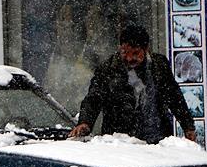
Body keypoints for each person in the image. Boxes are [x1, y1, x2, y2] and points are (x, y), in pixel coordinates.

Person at [68, 24, 197, 144]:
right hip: (120, 142)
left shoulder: (159, 65)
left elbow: (174, 97)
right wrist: (85, 122)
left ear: (146, 49)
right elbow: (93, 98)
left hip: (157, 140)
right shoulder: (108, 69)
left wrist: (188, 126)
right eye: (124, 52)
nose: (129, 58)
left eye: (135, 53)